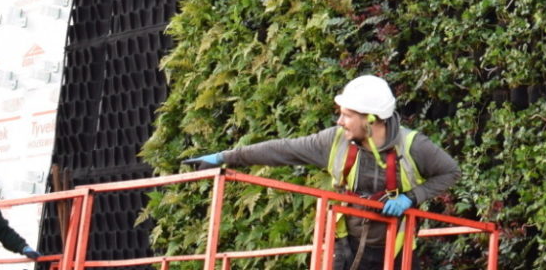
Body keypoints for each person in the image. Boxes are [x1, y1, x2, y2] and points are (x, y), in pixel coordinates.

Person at [190, 75, 459, 270]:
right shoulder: (334, 141)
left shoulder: (414, 146)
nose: (339, 121)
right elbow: (282, 149)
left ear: (372, 119)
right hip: (345, 243)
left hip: (396, 248)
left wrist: (410, 197)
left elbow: (450, 172)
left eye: (347, 115)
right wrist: (225, 157)